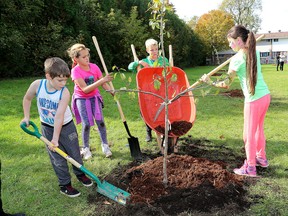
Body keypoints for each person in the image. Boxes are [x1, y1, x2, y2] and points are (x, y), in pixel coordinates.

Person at [200, 25, 271, 177]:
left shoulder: (237, 59)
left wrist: (209, 81)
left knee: (248, 135)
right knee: (259, 129)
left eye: (230, 42)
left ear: (239, 40)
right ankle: (261, 158)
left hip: (253, 100)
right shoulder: (254, 52)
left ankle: (251, 167)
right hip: (265, 96)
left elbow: (225, 84)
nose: (229, 45)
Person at [21, 57, 93, 198]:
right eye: (59, 80)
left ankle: (80, 174)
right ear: (48, 76)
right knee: (57, 158)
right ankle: (65, 185)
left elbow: (59, 116)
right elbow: (27, 98)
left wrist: (56, 138)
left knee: (74, 152)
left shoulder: (64, 92)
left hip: (66, 126)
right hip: (47, 127)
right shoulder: (37, 85)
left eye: (65, 80)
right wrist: (26, 116)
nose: (63, 83)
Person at [67, 43, 114, 160]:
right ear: (75, 59)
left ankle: (105, 145)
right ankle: (86, 148)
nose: (87, 58)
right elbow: (85, 89)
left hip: (94, 98)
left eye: (87, 55)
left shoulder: (94, 67)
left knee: (100, 122)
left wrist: (111, 90)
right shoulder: (75, 71)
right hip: (82, 99)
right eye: (83, 57)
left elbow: (103, 83)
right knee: (86, 124)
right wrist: (102, 80)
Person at [128, 38, 169, 143]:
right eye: (152, 50)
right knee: (146, 112)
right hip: (147, 91)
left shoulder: (163, 60)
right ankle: (148, 132)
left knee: (161, 111)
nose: (154, 52)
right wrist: (139, 62)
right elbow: (130, 67)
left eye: (156, 49)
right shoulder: (144, 61)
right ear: (147, 50)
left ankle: (163, 133)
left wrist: (159, 68)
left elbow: (169, 70)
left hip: (160, 91)